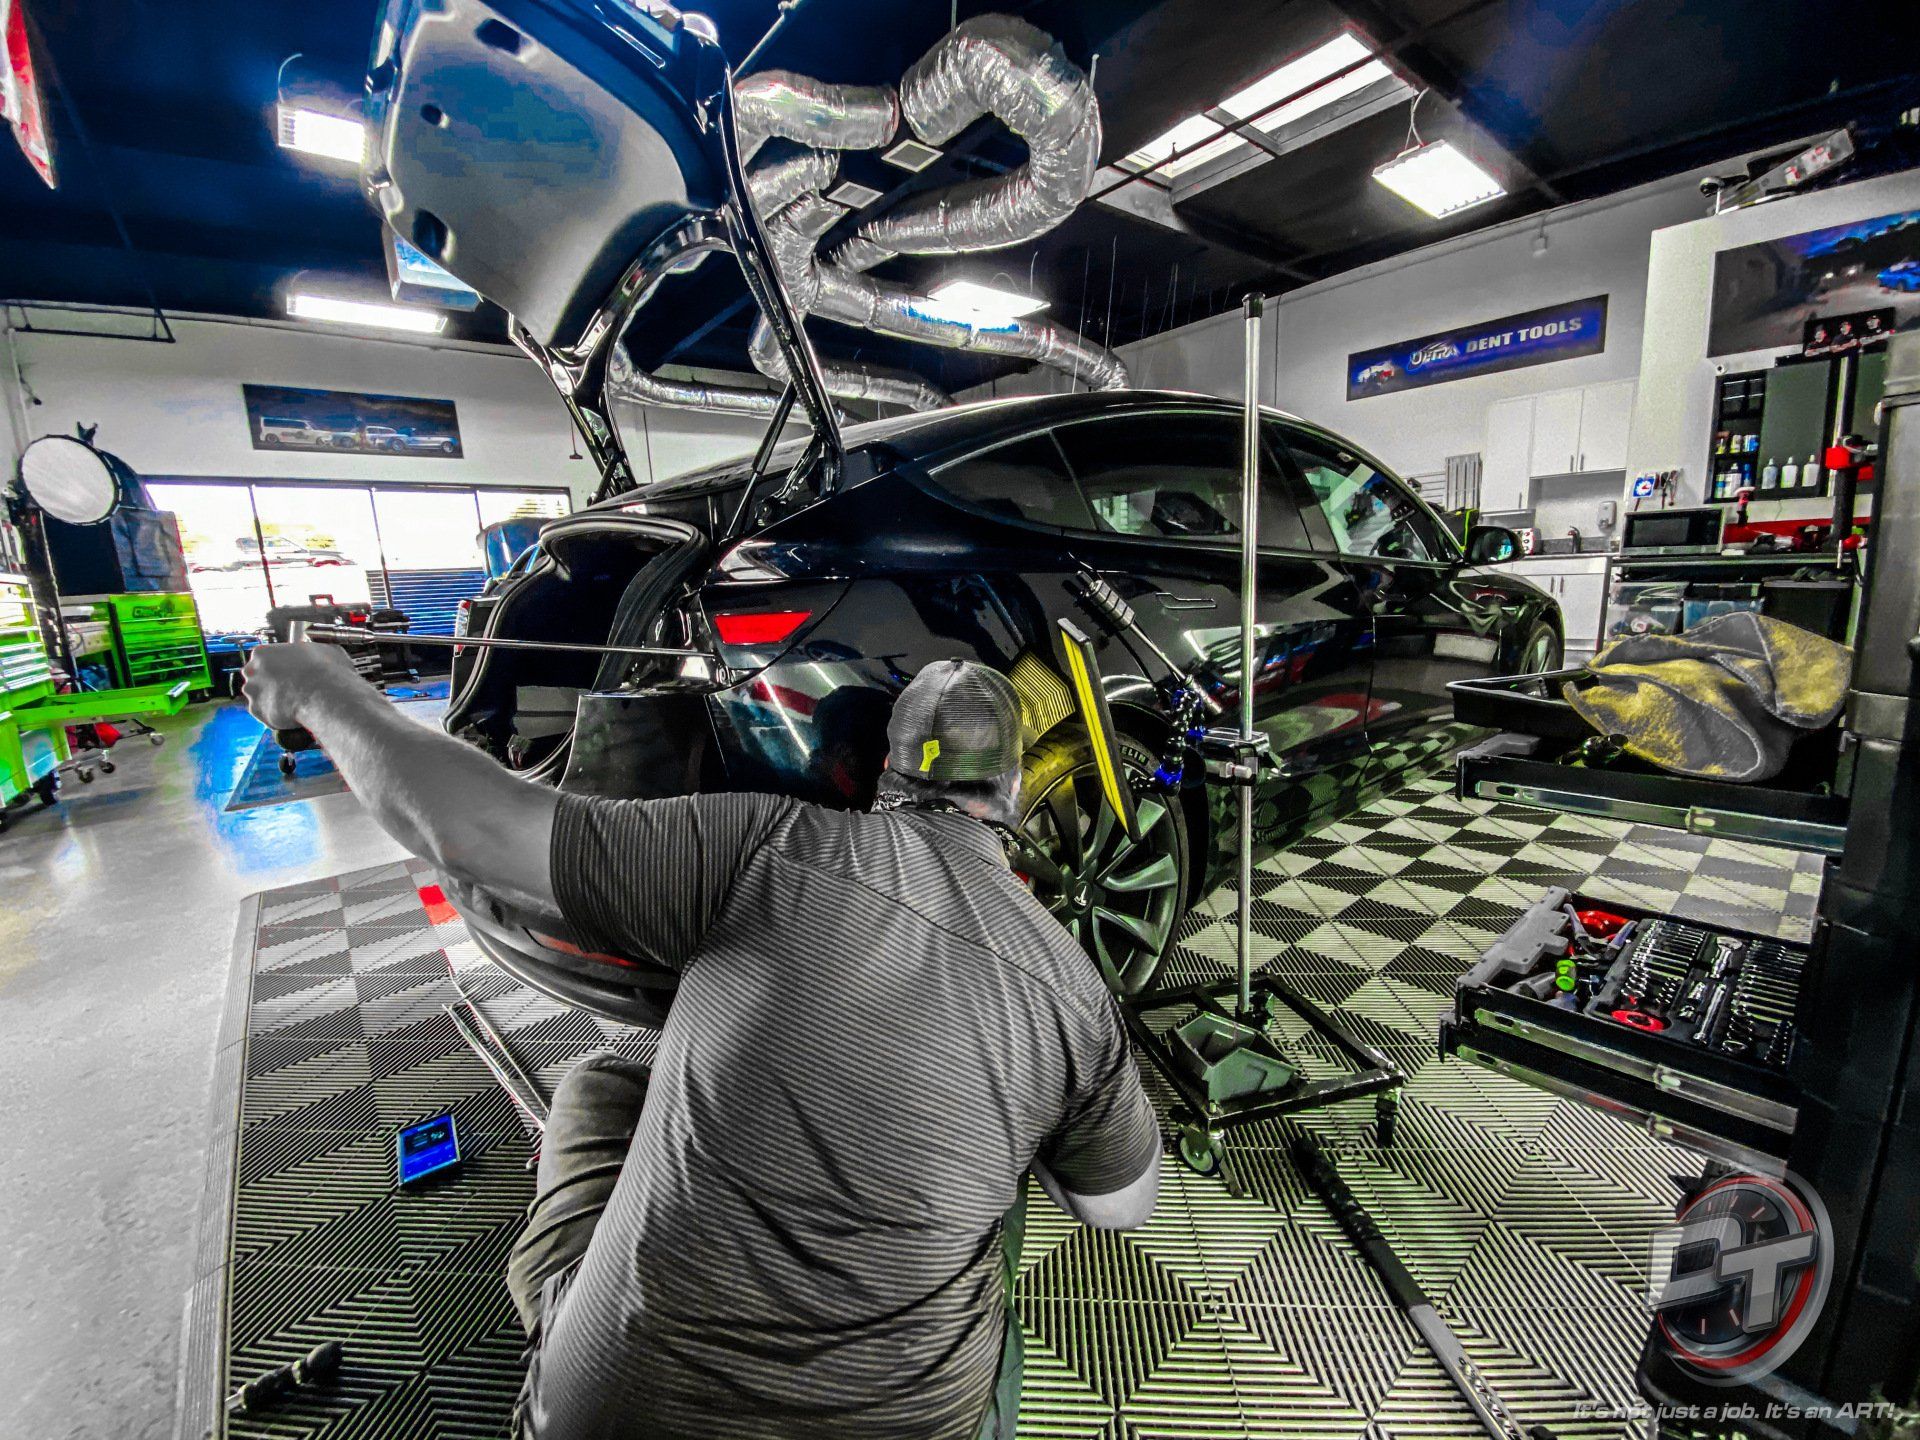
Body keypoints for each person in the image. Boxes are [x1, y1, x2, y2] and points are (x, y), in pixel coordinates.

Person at [240, 645, 1162, 1440]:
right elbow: (1116, 1209)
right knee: (1001, 1202)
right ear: (1016, 798)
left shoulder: (764, 844)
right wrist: (1004, 1101)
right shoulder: (1073, 992)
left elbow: (473, 828)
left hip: (603, 1416)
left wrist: (322, 689)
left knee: (598, 1084)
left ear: (883, 774)